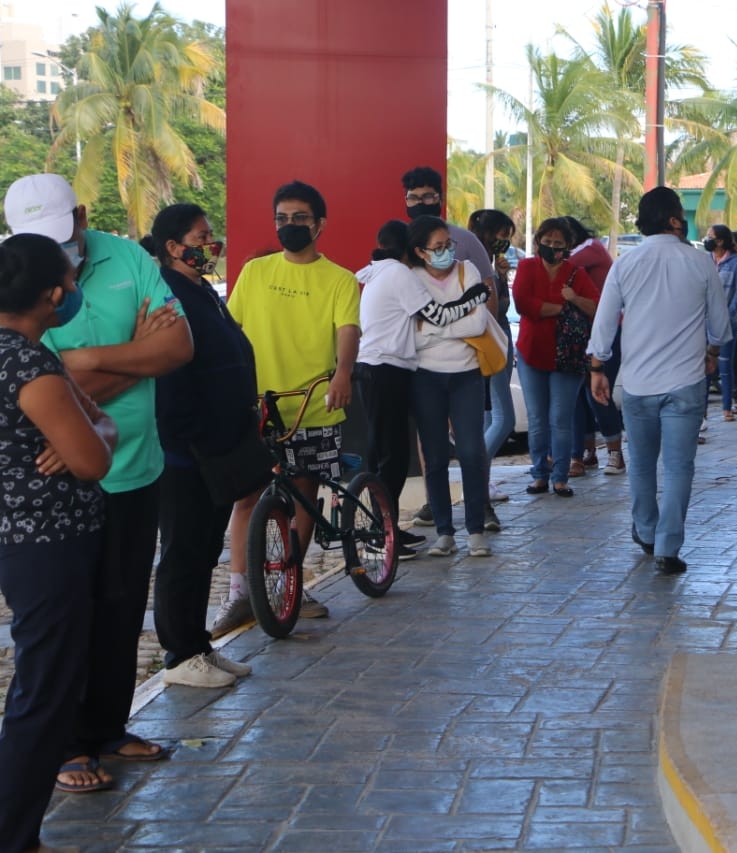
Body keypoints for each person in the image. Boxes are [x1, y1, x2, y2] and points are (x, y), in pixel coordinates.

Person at [5, 173, 194, 783]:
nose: (54, 258)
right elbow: (31, 381)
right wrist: (130, 354)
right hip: (52, 487)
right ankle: (62, 748)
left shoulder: (127, 256)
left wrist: (77, 366)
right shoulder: (14, 275)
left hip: (134, 467)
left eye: (62, 239)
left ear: (82, 217)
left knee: (119, 608)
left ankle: (107, 728)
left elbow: (175, 348)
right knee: (63, 625)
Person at [0, 233, 116, 850]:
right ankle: (14, 834)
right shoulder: (31, 366)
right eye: (69, 283)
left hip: (20, 541)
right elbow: (94, 456)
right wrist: (94, 429)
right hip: (49, 544)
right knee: (44, 693)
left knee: (41, 684)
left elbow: (92, 435)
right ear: (51, 294)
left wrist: (92, 430)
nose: (74, 291)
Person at [216, 180, 361, 637]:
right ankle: (241, 591)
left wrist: (343, 374)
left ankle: (289, 581)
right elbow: (231, 329)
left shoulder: (339, 279)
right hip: (257, 405)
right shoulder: (256, 272)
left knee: (303, 492)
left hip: (313, 405)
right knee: (246, 497)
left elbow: (348, 331)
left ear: (319, 224)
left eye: (299, 218)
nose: (290, 226)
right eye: (282, 218)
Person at [143, 203, 259, 689]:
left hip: (222, 438)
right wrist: (191, 434)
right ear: (173, 247)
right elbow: (171, 376)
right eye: (201, 236)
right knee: (183, 549)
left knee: (205, 546)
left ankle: (198, 644)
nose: (211, 245)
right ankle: (177, 654)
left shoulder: (204, 292)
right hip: (186, 449)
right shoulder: (167, 297)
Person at [588, 187, 733, 575]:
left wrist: (597, 369)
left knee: (641, 464)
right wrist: (713, 353)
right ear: (674, 219)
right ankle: (669, 546)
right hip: (686, 383)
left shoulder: (625, 264)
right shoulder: (701, 263)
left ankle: (647, 532)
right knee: (679, 466)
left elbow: (604, 324)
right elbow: (720, 327)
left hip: (636, 383)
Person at [354, 220, 491, 557]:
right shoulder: (405, 276)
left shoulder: (465, 270)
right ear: (416, 250)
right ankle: (430, 532)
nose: (446, 252)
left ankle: (474, 530)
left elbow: (478, 322)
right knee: (423, 457)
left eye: (449, 245)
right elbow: (427, 325)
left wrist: (431, 330)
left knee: (470, 452)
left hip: (462, 374)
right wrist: (467, 305)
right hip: (414, 374)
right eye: (438, 246)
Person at [401, 166, 497, 528]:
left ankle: (481, 506)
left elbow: (486, 298)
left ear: (440, 197)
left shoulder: (466, 243)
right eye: (413, 197)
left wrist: (442, 325)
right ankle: (436, 508)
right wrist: (454, 323)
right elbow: (410, 325)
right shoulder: (405, 250)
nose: (420, 202)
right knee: (433, 448)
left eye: (427, 196)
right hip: (425, 373)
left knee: (471, 444)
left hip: (469, 365)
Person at [512, 217, 599, 498]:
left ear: (567, 246)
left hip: (567, 358)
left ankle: (560, 477)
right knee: (537, 418)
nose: (551, 247)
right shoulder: (526, 267)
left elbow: (596, 307)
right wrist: (561, 308)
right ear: (538, 242)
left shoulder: (577, 274)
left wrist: (572, 298)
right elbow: (524, 304)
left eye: (558, 244)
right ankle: (539, 474)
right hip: (531, 353)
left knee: (560, 418)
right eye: (546, 242)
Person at [467, 208, 520, 521]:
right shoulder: (475, 262)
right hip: (489, 343)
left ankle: (482, 483)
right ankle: (476, 477)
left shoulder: (489, 263)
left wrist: (502, 278)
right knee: (504, 419)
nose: (505, 242)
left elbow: (503, 307)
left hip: (497, 339)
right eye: (502, 235)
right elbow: (493, 311)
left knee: (489, 417)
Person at [562, 215, 624, 477]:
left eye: (559, 241)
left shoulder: (590, 250)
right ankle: (585, 452)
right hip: (583, 332)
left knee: (599, 394)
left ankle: (615, 453)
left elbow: (563, 267)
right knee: (579, 396)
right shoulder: (586, 250)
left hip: (606, 331)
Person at [702, 224, 737, 423]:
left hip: (728, 322)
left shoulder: (735, 262)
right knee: (704, 366)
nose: (707, 239)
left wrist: (726, 314)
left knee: (725, 365)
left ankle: (727, 407)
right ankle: (701, 410)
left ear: (720, 240)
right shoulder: (705, 260)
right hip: (705, 322)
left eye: (711, 237)